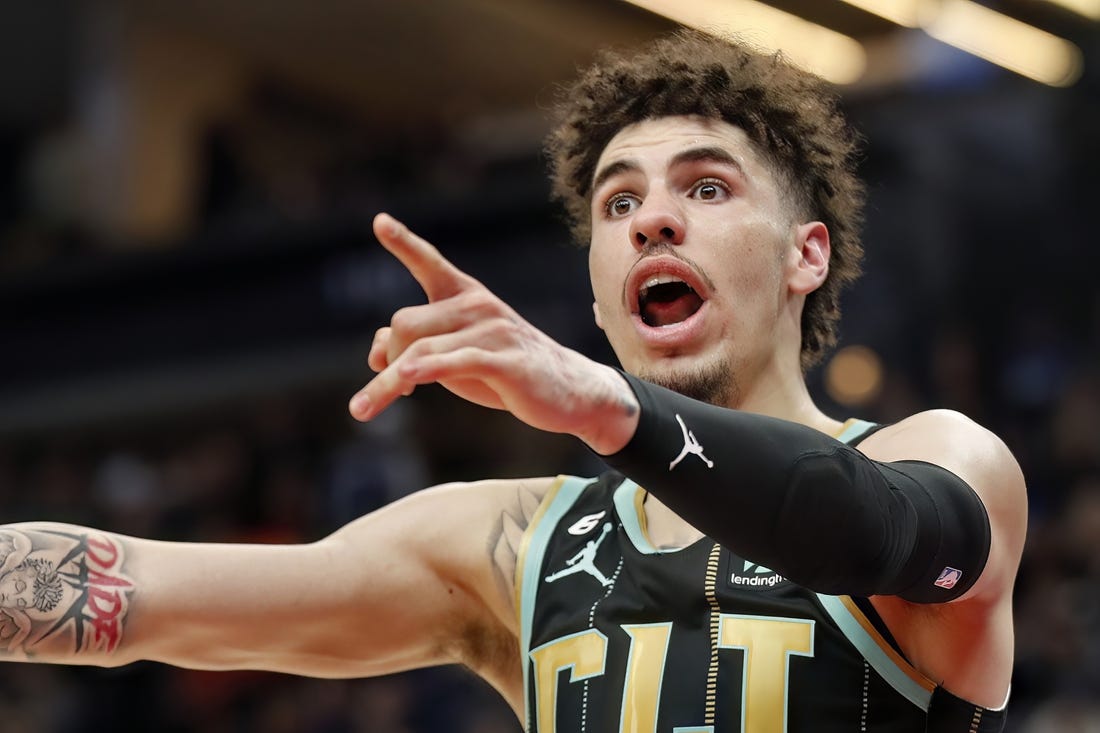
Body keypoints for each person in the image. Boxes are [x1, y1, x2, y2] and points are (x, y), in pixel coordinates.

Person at [0, 30, 1026, 732]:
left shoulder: (939, 457)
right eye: (617, 206)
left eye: (705, 187)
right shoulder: (512, 545)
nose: (652, 219)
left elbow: (859, 532)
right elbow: (139, 596)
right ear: (595, 289)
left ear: (805, 256)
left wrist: (609, 408)